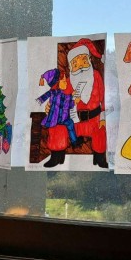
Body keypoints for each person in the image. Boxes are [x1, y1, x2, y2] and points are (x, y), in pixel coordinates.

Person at [44, 38, 107, 168]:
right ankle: (56, 156)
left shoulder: (96, 76)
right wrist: (50, 106)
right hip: (74, 121)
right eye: (76, 63)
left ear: (89, 60)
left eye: (84, 60)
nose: (81, 66)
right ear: (71, 67)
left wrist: (103, 116)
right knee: (56, 126)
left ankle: (100, 158)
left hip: (93, 120)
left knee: (101, 130)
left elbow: (103, 97)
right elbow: (58, 96)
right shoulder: (67, 82)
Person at [36, 68, 79, 147]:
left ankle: (74, 141)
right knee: (70, 123)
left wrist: (72, 98)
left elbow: (43, 98)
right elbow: (66, 104)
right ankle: (74, 142)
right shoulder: (56, 93)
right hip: (57, 119)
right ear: (57, 83)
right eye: (64, 81)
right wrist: (74, 101)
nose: (66, 83)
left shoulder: (58, 93)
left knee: (70, 122)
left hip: (57, 118)